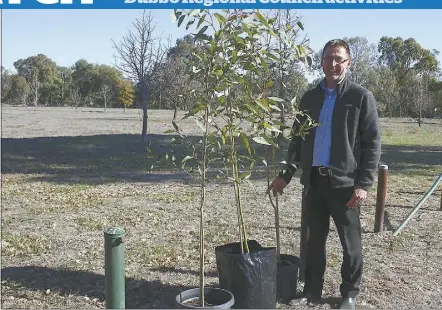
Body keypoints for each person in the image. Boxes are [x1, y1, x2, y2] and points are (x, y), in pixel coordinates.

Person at [268, 39, 381, 309]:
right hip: (314, 182)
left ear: (348, 63)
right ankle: (311, 291)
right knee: (314, 241)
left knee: (350, 243)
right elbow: (297, 141)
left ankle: (349, 294)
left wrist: (364, 183)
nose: (333, 64)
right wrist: (286, 174)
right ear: (321, 62)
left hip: (345, 184)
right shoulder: (310, 98)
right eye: (328, 58)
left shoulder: (360, 97)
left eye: (339, 59)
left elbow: (373, 143)